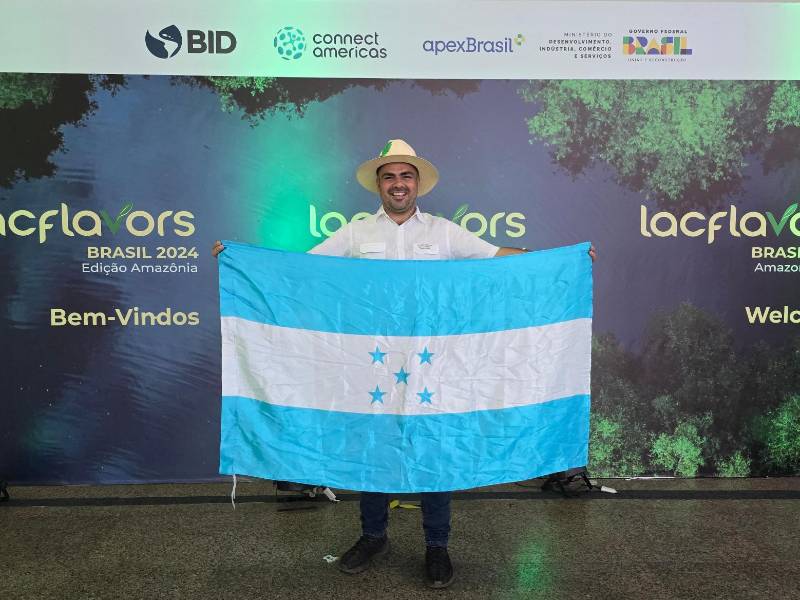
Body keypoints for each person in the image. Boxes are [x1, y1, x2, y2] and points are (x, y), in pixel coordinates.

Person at [213, 139, 595, 589]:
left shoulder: (443, 231)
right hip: (371, 367)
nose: (399, 184)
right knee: (374, 448)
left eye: (406, 176)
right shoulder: (356, 233)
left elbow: (497, 259)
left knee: (434, 450)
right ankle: (373, 537)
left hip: (433, 367)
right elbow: (302, 269)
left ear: (418, 184)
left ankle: (438, 545)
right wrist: (240, 261)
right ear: (379, 184)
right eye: (390, 176)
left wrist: (561, 263)